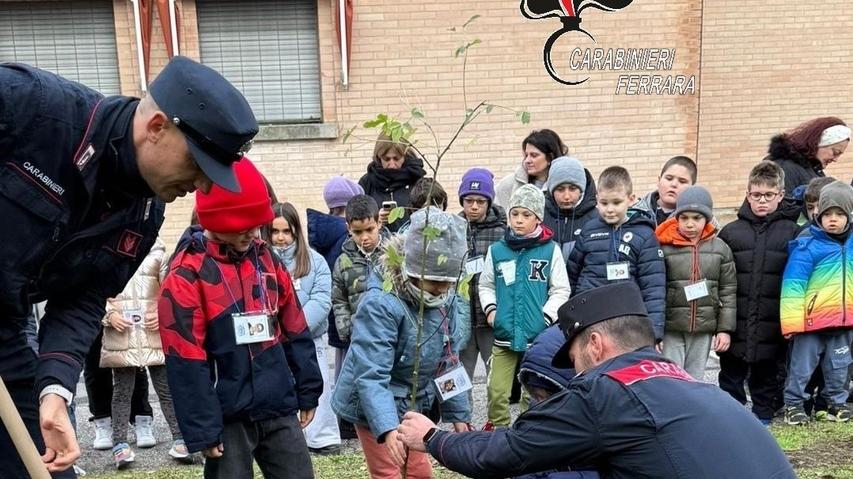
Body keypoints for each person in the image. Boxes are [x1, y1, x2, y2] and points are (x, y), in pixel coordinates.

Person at [0, 55, 258, 476]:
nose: (202, 185)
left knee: (45, 468)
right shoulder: (29, 105)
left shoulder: (145, 217)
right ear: (156, 127)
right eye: (198, 164)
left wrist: (55, 388)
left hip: (6, 328)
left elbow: (84, 299)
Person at [396, 282, 798, 479]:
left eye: (573, 360)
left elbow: (504, 454)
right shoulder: (694, 387)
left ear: (595, 343)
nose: (576, 372)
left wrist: (432, 438)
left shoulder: (605, 390)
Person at [158, 158, 322, 478]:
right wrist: (204, 427)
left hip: (277, 403)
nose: (253, 232)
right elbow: (185, 358)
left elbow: (294, 326)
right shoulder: (187, 274)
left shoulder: (266, 258)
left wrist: (307, 387)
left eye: (257, 224)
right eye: (243, 225)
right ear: (218, 219)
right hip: (227, 414)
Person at [331, 207, 472, 479]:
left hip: (413, 400)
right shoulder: (381, 304)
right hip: (372, 403)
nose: (441, 290)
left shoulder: (446, 299)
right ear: (413, 271)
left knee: (420, 471)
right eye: (434, 283)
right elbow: (372, 374)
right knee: (389, 471)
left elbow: (448, 359)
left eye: (446, 284)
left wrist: (459, 414)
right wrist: (386, 428)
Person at [479, 184, 570, 429]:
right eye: (515, 214)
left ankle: (528, 431)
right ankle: (498, 431)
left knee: (533, 392)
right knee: (497, 390)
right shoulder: (497, 250)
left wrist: (545, 317)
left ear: (537, 218)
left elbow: (561, 289)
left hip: (536, 335)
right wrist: (492, 311)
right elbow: (486, 285)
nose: (519, 220)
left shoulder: (550, 250)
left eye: (526, 215)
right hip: (504, 334)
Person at [717, 161, 800, 426]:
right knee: (731, 372)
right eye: (756, 195)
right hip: (737, 319)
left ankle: (763, 416)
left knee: (768, 373)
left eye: (769, 195)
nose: (762, 200)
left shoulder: (793, 233)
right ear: (747, 195)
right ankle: (731, 419)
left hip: (773, 321)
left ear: (780, 195)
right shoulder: (731, 233)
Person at [99, 237, 189, 468]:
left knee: (167, 389)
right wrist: (110, 315)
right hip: (122, 333)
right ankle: (120, 444)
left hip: (153, 333)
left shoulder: (158, 253)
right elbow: (96, 293)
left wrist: (161, 313)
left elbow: (170, 291)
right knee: (121, 392)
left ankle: (181, 439)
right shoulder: (108, 250)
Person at [269, 202, 341, 455]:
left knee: (316, 384)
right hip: (274, 341)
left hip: (309, 338)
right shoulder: (262, 261)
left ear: (296, 231)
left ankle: (322, 436)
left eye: (286, 231)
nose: (280, 238)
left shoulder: (315, 261)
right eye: (275, 231)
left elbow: (321, 300)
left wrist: (294, 328)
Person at [780, 180, 853, 425]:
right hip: (810, 323)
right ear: (818, 215)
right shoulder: (807, 245)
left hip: (844, 321)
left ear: (849, 215)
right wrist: (791, 323)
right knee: (801, 368)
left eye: (839, 214)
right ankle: (793, 404)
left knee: (839, 366)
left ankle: (836, 403)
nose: (833, 219)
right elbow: (793, 285)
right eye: (827, 214)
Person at [567, 166, 666, 342]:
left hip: (626, 319)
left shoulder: (644, 235)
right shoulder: (588, 231)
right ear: (597, 200)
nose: (610, 209)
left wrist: (654, 332)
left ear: (631, 199)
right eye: (604, 203)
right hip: (589, 315)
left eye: (616, 202)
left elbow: (653, 287)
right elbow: (572, 275)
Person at [655, 186, 736, 381]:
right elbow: (655, 289)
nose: (689, 224)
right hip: (672, 327)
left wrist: (724, 329)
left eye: (696, 218)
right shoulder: (664, 247)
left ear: (707, 219)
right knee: (672, 377)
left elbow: (728, 290)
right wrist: (655, 330)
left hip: (703, 327)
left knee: (695, 379)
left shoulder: (720, 249)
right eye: (684, 218)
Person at [515, 325, 599, 479]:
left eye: (550, 397)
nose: (543, 405)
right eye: (536, 396)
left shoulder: (601, 421)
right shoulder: (537, 414)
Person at [456, 168, 507, 406]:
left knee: (495, 375)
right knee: (460, 375)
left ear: (489, 202)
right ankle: (462, 419)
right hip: (462, 316)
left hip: (490, 316)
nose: (474, 206)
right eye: (469, 201)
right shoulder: (455, 229)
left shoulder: (502, 232)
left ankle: (496, 418)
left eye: (480, 201)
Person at [766, 117, 850, 214]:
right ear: (819, 143)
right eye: (835, 152)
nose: (835, 159)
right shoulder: (784, 166)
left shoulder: (811, 169)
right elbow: (782, 210)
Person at [359, 133, 427, 233]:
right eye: (386, 159)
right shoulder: (367, 182)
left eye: (396, 158)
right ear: (379, 158)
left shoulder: (417, 179)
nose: (392, 165)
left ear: (405, 156)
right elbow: (356, 219)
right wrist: (375, 220)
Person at [543, 156, 599, 260]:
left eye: (573, 189)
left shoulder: (596, 219)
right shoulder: (540, 217)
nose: (566, 196)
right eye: (560, 189)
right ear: (551, 191)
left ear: (581, 190)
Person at [495, 129, 568, 207]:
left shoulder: (567, 184)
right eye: (526, 155)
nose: (527, 160)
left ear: (550, 157)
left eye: (534, 155)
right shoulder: (509, 184)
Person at [634, 156, 697, 226]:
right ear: (659, 181)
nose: (674, 184)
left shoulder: (699, 221)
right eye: (669, 178)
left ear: (692, 188)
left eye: (682, 181)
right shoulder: (633, 213)